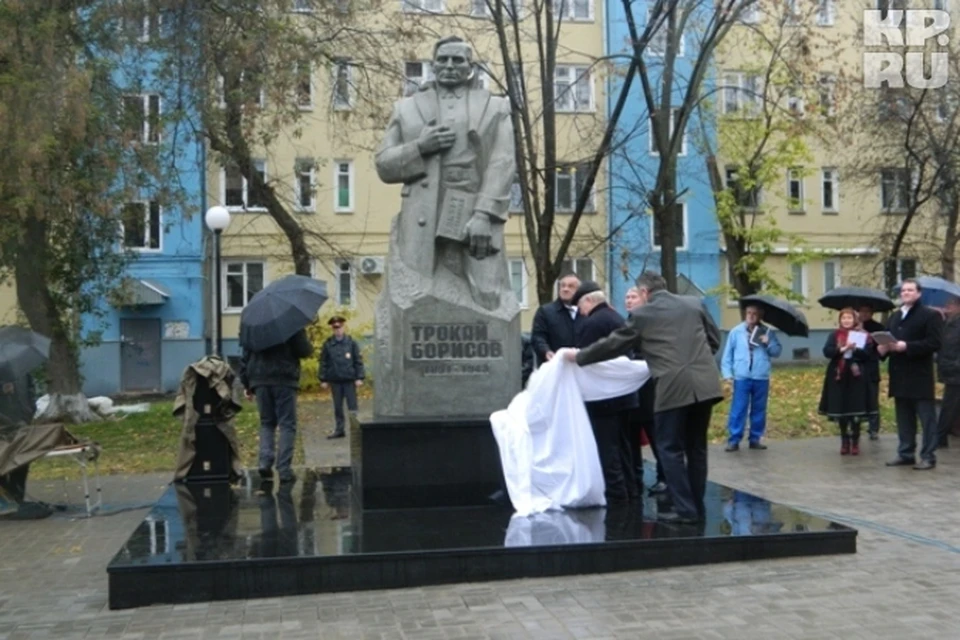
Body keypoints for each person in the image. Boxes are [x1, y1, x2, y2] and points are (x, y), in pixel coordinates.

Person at [566, 271, 723, 524]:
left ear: (645, 293)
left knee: (668, 448)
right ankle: (696, 506)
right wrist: (697, 361)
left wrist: (580, 356)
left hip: (672, 388)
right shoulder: (693, 304)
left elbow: (613, 344)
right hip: (706, 384)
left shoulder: (642, 315)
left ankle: (685, 510)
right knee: (697, 448)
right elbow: (714, 339)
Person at [375, 36, 516, 312]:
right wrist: (420, 147)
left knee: (488, 298)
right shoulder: (406, 109)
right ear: (433, 65)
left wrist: (484, 214)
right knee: (417, 300)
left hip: (475, 209)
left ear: (470, 67)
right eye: (443, 59)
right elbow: (383, 165)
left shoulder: (495, 107)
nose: (449, 65)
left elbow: (503, 162)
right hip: (423, 215)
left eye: (457, 60)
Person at [573, 281, 640, 504]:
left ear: (589, 301)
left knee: (607, 449)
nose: (580, 312)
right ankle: (631, 490)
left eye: (580, 306)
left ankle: (616, 495)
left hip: (603, 398)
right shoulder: (616, 318)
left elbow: (585, 359)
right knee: (624, 447)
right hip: (625, 396)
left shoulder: (592, 323)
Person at [879, 278, 943, 470]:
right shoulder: (895, 316)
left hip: (919, 375)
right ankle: (906, 453)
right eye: (903, 290)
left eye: (910, 290)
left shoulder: (929, 315)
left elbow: (934, 343)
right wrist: (883, 349)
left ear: (918, 293)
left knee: (926, 418)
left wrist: (907, 346)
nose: (905, 293)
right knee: (904, 418)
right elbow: (887, 338)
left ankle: (928, 456)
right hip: (899, 375)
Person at [239, 328, 314, 484]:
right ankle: (284, 469)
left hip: (260, 380)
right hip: (284, 378)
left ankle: (265, 462)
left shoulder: (252, 325)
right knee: (287, 424)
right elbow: (304, 350)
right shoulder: (290, 321)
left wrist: (247, 383)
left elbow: (245, 357)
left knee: (267, 423)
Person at [721, 305, 782, 452]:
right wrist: (728, 374)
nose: (751, 316)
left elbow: (777, 352)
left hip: (761, 376)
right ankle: (734, 439)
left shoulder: (767, 332)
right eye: (749, 313)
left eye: (755, 313)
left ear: (760, 315)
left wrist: (768, 342)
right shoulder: (736, 332)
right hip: (742, 377)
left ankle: (755, 438)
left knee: (759, 409)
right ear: (745, 314)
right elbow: (727, 355)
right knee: (738, 408)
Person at [818, 308, 879, 455]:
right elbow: (827, 352)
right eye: (843, 318)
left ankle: (855, 440)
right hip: (839, 375)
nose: (846, 321)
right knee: (842, 409)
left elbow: (867, 354)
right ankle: (844, 440)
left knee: (856, 409)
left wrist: (855, 348)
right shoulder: (835, 335)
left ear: (854, 320)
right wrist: (843, 348)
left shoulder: (862, 335)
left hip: (856, 375)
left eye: (849, 318)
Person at [624, 286, 666, 496]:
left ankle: (664, 477)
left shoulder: (651, 323)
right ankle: (634, 475)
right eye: (627, 297)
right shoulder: (625, 324)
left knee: (656, 437)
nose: (629, 300)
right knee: (631, 438)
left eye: (633, 297)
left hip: (649, 391)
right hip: (629, 391)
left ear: (644, 299)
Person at [319, 316, 365, 440]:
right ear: (332, 329)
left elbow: (358, 361)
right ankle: (340, 430)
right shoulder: (328, 344)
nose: (337, 330)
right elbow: (323, 362)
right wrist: (323, 379)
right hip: (335, 380)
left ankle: (356, 431)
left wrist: (359, 377)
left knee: (353, 408)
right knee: (338, 407)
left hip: (349, 380)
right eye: (335, 327)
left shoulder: (351, 343)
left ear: (343, 327)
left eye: (339, 327)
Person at [531, 273, 583, 365]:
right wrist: (546, 351)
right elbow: (538, 337)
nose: (565, 289)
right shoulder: (546, 312)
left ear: (579, 290)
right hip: (554, 366)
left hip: (581, 366)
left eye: (571, 286)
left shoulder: (585, 312)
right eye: (563, 285)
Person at [935, 295, 960, 448]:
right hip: (950, 370)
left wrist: (955, 365)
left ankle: (940, 436)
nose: (947, 307)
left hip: (955, 370)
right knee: (950, 404)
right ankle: (942, 436)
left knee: (949, 405)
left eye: (951, 305)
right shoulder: (946, 324)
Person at [859, 305, 886, 440]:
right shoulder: (855, 326)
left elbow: (881, 348)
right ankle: (856, 424)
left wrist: (867, 335)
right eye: (861, 311)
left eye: (867, 312)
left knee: (872, 397)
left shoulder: (878, 327)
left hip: (871, 365)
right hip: (858, 365)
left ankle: (873, 427)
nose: (863, 314)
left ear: (871, 313)